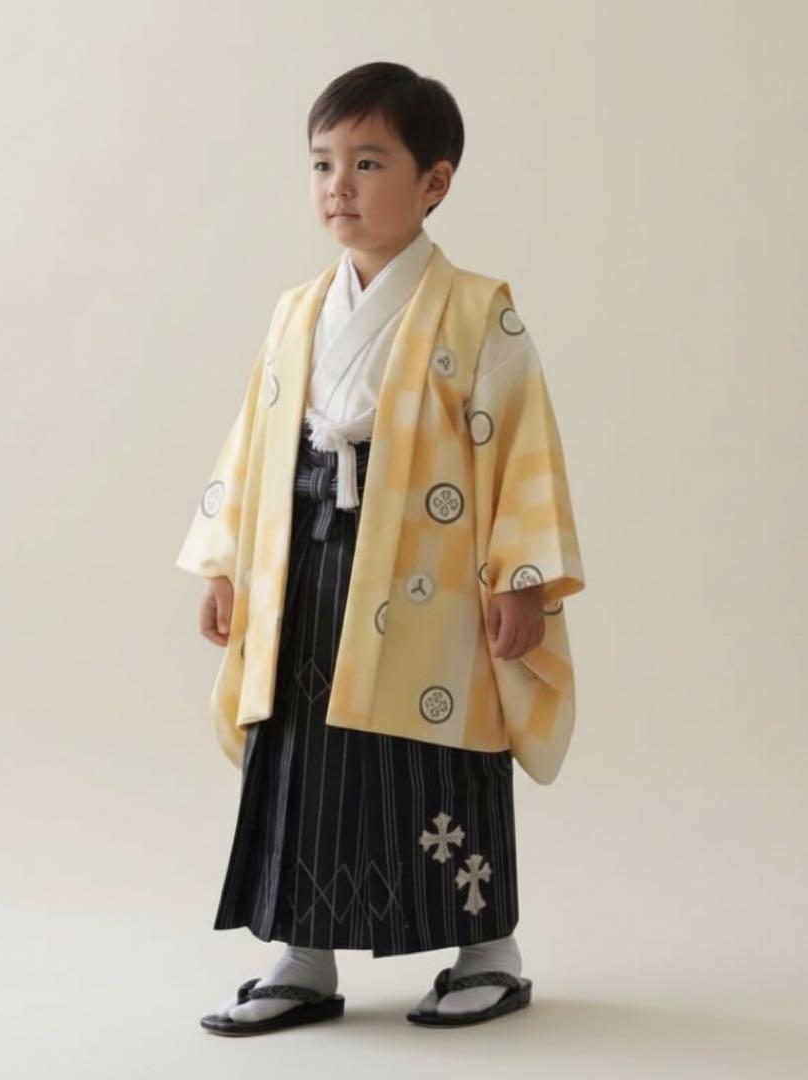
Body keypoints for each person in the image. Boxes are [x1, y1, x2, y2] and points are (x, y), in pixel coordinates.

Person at [175, 61, 585, 1035]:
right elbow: (254, 441)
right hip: (305, 564)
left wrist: (521, 577)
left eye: (367, 163)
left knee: (439, 753)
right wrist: (226, 561)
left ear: (434, 182)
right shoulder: (297, 310)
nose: (339, 187)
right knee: (301, 753)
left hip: (434, 583)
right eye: (322, 164)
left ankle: (487, 951)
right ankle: (302, 956)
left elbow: (521, 443)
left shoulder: (479, 310)